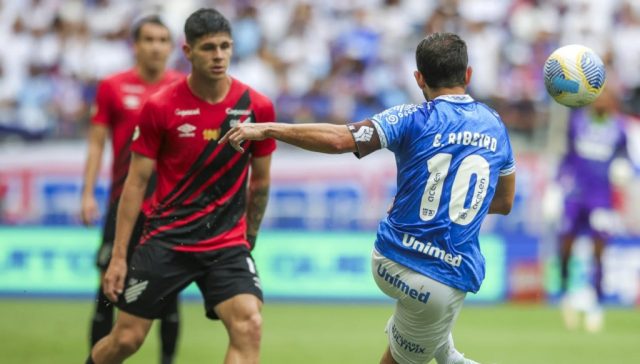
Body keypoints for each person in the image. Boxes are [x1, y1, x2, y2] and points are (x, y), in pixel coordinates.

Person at [221, 32, 515, 364]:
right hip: (444, 276)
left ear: (418, 78)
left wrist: (269, 129)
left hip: (393, 260)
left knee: (438, 350)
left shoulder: (409, 117)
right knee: (425, 336)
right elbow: (504, 202)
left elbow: (338, 140)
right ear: (469, 74)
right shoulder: (496, 125)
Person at [86, 8, 276, 364]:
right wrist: (119, 258)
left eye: (224, 47)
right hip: (166, 241)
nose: (218, 56)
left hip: (225, 244)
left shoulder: (257, 107)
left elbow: (261, 182)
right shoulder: (160, 106)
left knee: (249, 323)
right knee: (126, 340)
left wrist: (248, 236)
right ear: (188, 52)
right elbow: (136, 183)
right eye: (208, 48)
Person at [80, 15, 183, 364]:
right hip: (123, 202)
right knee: (108, 287)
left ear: (172, 47)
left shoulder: (182, 87)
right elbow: (96, 144)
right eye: (149, 40)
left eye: (163, 40)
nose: (156, 47)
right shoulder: (112, 86)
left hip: (168, 209)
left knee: (169, 292)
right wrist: (87, 193)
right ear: (135, 45)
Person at [555, 85, 628, 333]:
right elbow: (566, 157)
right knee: (565, 247)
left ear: (612, 102)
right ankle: (566, 296)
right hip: (575, 195)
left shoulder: (619, 129)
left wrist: (623, 170)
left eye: (606, 98)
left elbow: (626, 160)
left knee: (600, 252)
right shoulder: (577, 123)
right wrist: (556, 187)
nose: (601, 102)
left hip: (601, 199)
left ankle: (597, 304)